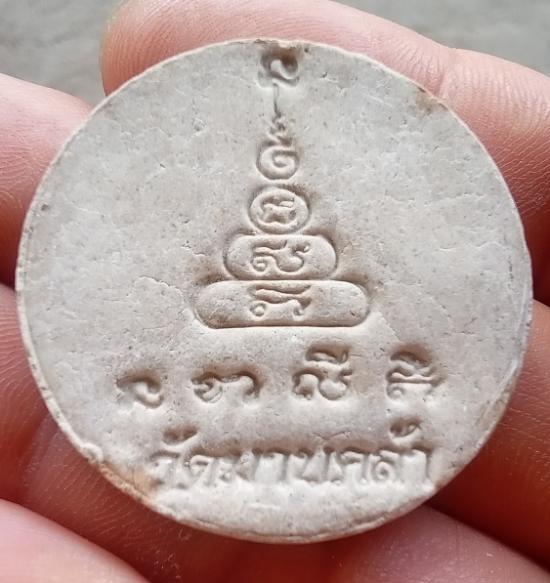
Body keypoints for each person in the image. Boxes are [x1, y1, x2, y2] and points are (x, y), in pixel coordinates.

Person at [0, 0, 549, 581]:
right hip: (245, 305)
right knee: (234, 294)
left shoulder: (331, 251)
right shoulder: (234, 256)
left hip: (316, 307)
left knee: (331, 292)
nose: (282, 216)